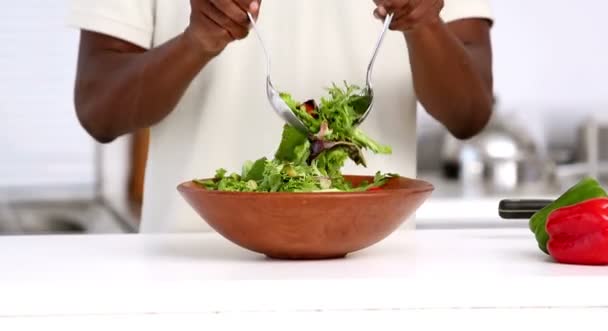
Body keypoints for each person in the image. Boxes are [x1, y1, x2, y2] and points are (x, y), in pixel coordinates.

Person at [68, 0, 494, 233]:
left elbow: (469, 113)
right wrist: (196, 41)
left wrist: (426, 24)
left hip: (372, 281)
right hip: (192, 276)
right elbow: (99, 111)